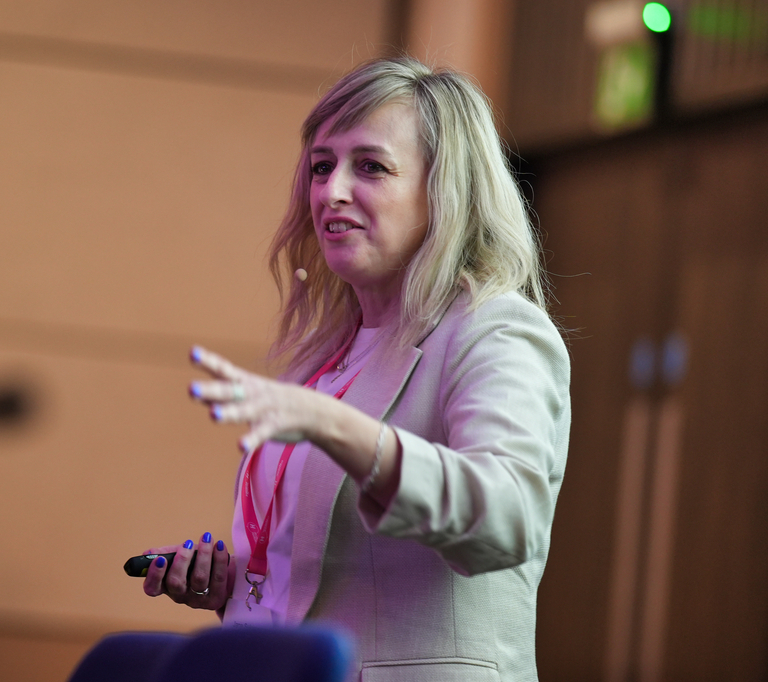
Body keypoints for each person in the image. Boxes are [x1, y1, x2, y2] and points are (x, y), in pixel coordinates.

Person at [140, 56, 570, 682]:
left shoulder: (496, 329)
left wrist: (331, 423)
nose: (331, 190)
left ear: (445, 190)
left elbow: (506, 520)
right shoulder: (322, 355)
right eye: (321, 166)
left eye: (370, 166)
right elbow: (332, 580)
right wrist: (240, 588)